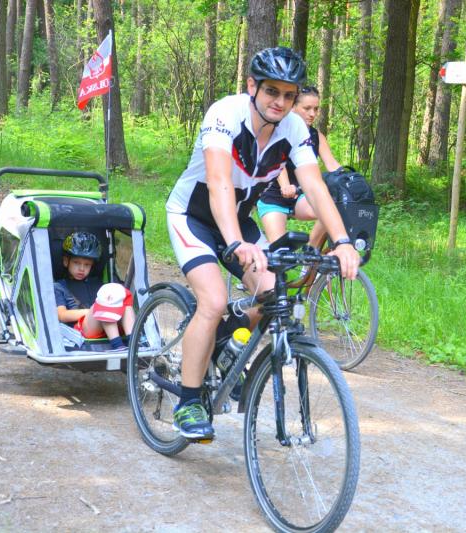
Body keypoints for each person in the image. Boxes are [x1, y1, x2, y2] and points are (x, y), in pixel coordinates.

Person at [165, 46, 359, 440]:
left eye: (289, 95)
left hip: (238, 219)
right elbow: (219, 182)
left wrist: (342, 241)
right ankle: (187, 402)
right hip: (194, 216)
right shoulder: (225, 114)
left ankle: (224, 343)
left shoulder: (294, 129)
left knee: (275, 294)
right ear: (252, 86)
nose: (280, 102)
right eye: (272, 91)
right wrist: (236, 243)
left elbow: (315, 186)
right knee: (213, 300)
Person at [257, 86, 341, 245]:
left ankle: (311, 252)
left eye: (316, 109)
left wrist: (352, 180)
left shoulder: (317, 136)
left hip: (300, 197)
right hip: (273, 196)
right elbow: (278, 163)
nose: (312, 114)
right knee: (279, 251)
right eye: (307, 108)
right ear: (293, 107)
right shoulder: (278, 130)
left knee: (330, 210)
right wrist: (285, 185)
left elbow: (333, 165)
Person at [54, 231, 135, 350]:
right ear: (66, 261)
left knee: (122, 295)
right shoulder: (59, 286)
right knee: (105, 301)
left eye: (87, 265)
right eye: (76, 263)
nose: (82, 269)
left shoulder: (97, 283)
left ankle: (133, 341)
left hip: (110, 324)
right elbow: (62, 315)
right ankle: (118, 346)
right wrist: (94, 310)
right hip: (82, 328)